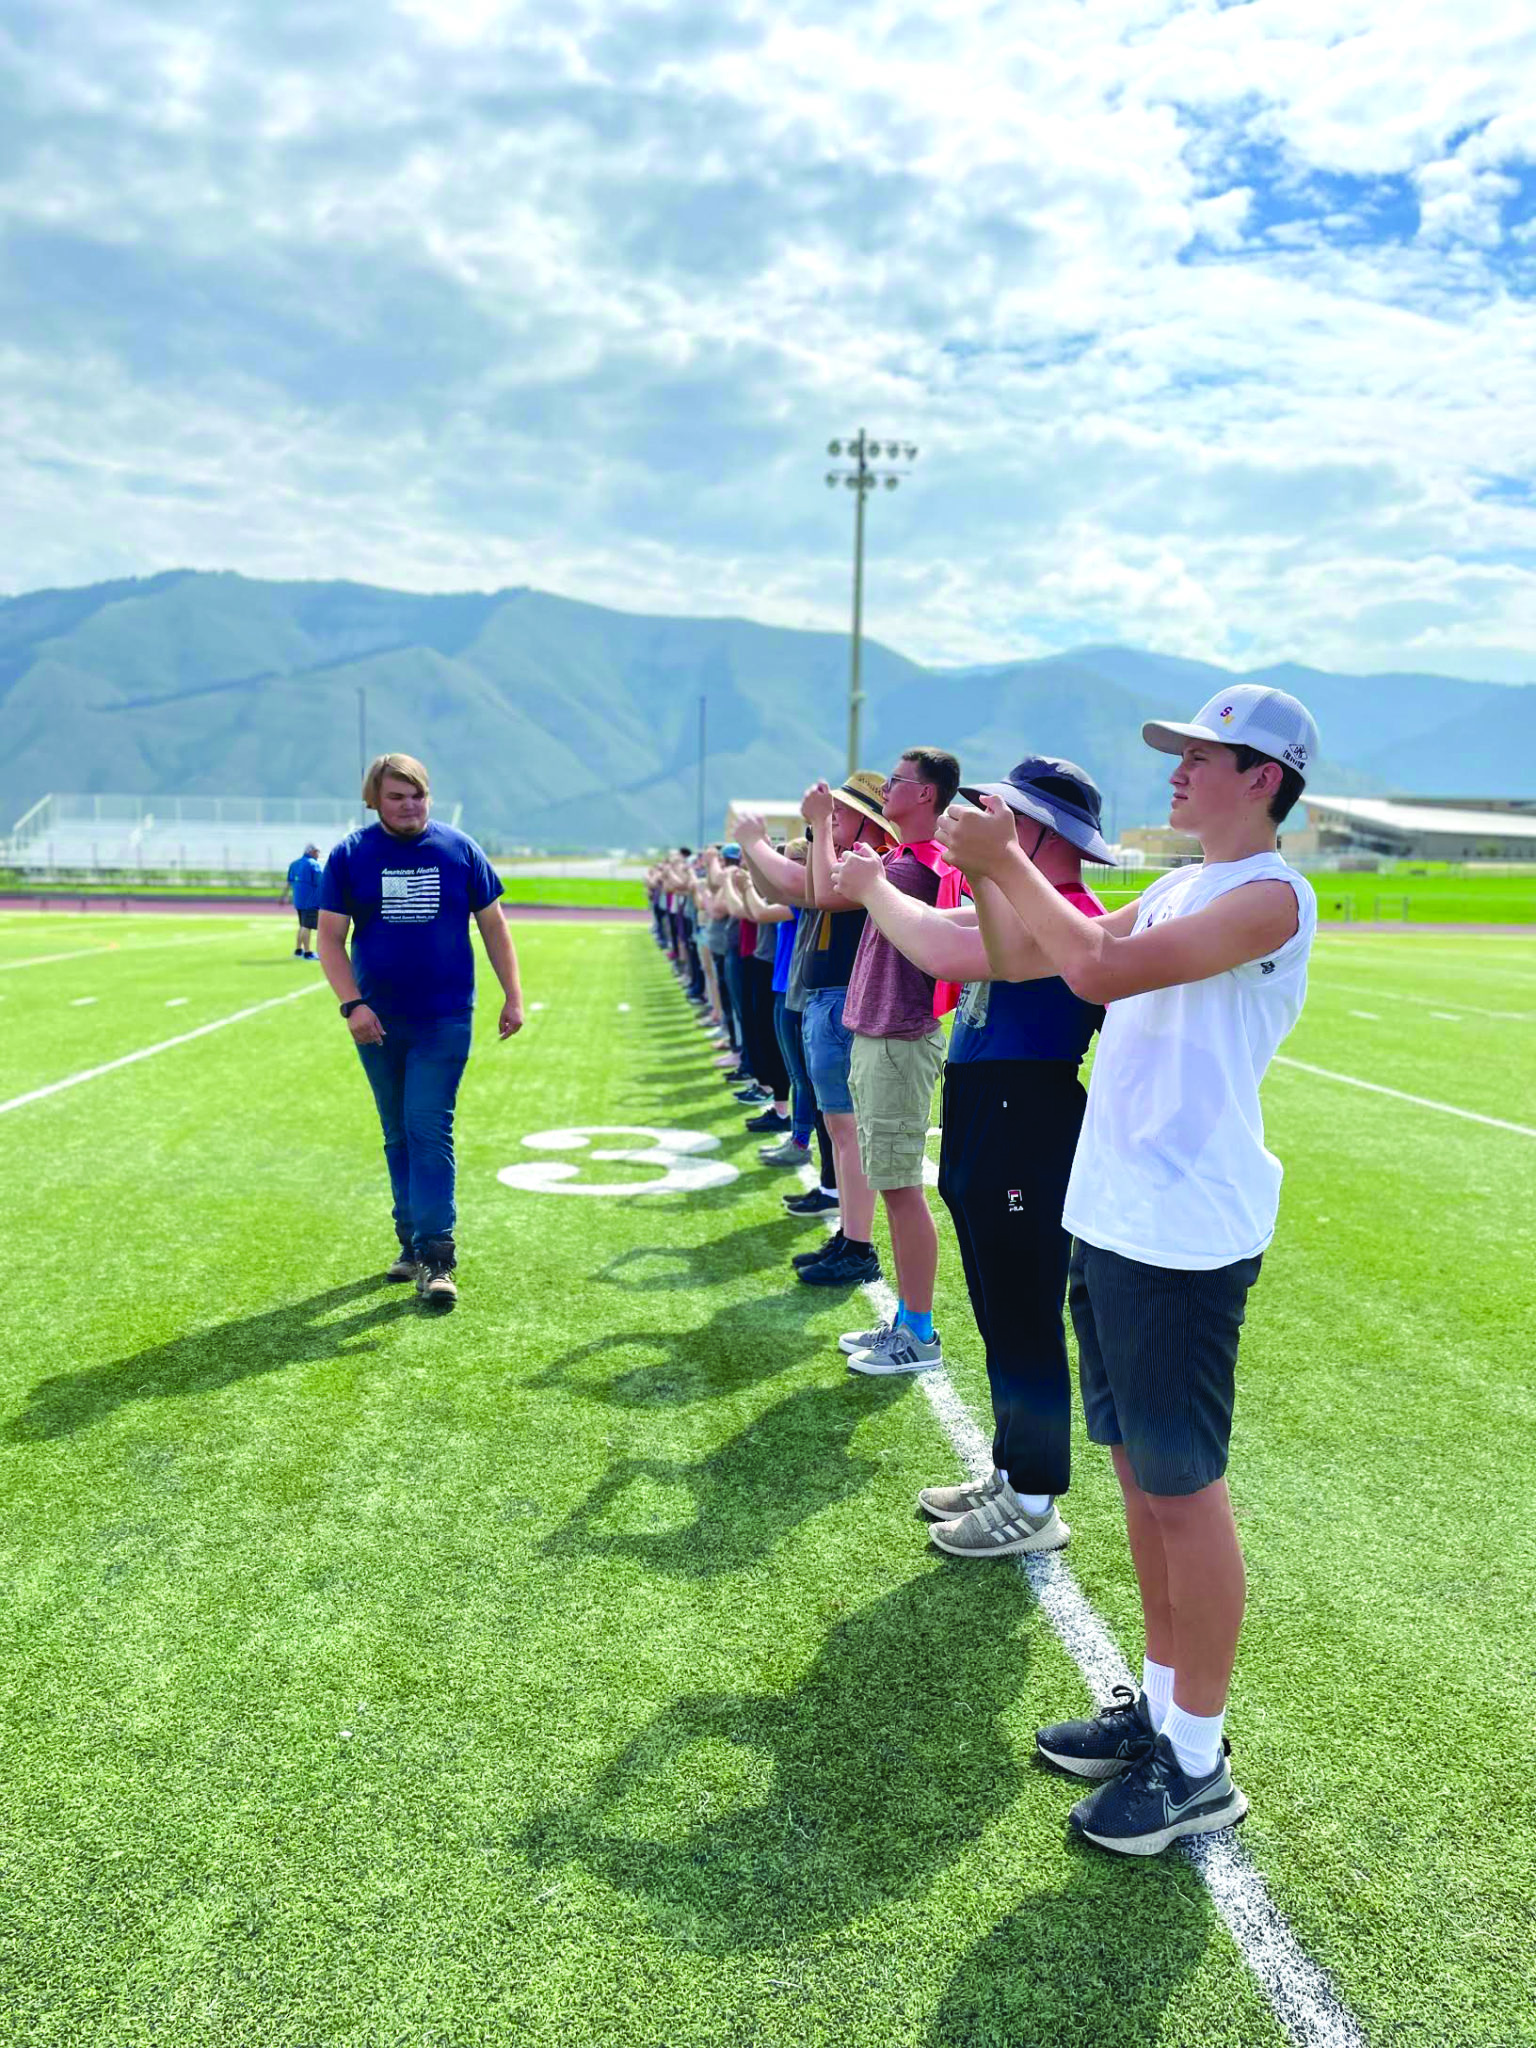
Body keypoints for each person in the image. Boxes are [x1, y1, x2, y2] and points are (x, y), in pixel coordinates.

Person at [938, 684, 1320, 1856]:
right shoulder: (1179, 885)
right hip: (1115, 1213)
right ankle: (1158, 1710)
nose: (1177, 769)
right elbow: (1038, 952)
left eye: (1203, 754)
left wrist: (1009, 858)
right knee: (1141, 1482)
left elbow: (1098, 971)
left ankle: (1197, 1759)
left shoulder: (1271, 895)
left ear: (1264, 777)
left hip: (1183, 1230)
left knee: (1184, 1491)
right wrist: (994, 874)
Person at [834, 759, 1110, 1562]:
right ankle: (1013, 1469)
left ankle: (1034, 1499)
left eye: (1002, 813)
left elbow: (941, 953)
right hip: (991, 1110)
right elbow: (940, 932)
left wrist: (871, 887)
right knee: (997, 1309)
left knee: (1022, 1313)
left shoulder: (1070, 913)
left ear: (1037, 832)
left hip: (1027, 1116)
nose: (979, 816)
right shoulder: (1024, 906)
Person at [317, 752, 524, 1308]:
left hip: (444, 1018)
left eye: (418, 796)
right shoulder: (349, 856)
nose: (410, 806)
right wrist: (352, 1005)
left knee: (429, 1128)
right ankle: (409, 1243)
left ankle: (437, 1255)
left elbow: (494, 925)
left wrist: (513, 994)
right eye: (396, 797)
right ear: (374, 801)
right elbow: (330, 940)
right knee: (397, 1134)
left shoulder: (460, 849)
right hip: (377, 1022)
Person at [823, 747, 960, 1363]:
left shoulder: (911, 869)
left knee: (902, 1190)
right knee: (893, 1185)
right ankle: (907, 1319)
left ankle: (918, 1332)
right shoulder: (902, 861)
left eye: (898, 781)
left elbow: (831, 889)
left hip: (898, 1040)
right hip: (883, 1037)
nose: (886, 790)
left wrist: (842, 851)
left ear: (927, 794)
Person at [734, 773, 893, 1268]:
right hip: (826, 1001)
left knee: (847, 1129)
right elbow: (785, 887)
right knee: (839, 1126)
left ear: (868, 821)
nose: (832, 817)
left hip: (842, 1001)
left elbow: (801, 888)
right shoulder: (842, 861)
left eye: (843, 812)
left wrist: (758, 842)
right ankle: (849, 1235)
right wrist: (757, 851)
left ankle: (858, 1244)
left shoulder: (870, 861)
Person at [284, 842, 324, 959]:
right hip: (311, 900)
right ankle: (307, 952)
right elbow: (321, 882)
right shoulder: (314, 864)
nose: (318, 854)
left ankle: (298, 950)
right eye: (317, 852)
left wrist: (284, 896)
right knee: (307, 926)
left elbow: (289, 882)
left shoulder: (294, 864)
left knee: (302, 925)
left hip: (298, 900)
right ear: (311, 851)